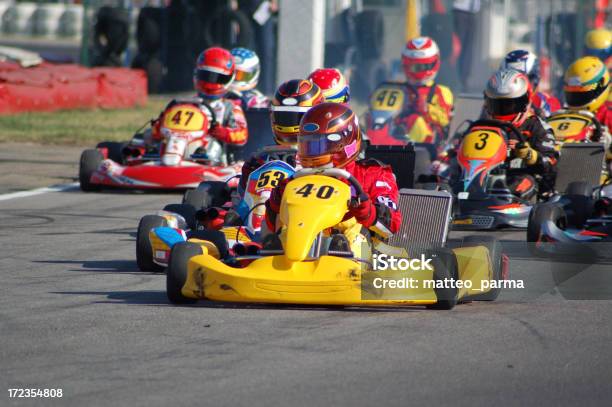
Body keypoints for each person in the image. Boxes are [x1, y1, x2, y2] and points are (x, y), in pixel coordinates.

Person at [265, 103, 401, 252]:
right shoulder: (297, 180)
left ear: (345, 142)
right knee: (280, 236)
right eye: (308, 144)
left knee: (350, 238)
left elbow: (392, 224)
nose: (313, 151)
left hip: (359, 254)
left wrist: (368, 211)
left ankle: (340, 253)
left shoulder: (373, 174)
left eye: (321, 145)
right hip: (304, 249)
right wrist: (275, 203)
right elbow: (274, 224)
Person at [141, 47, 248, 159]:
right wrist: (159, 126)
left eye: (218, 78)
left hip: (211, 157)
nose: (210, 83)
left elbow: (242, 135)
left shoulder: (230, 107)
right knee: (148, 137)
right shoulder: (184, 103)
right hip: (178, 144)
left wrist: (222, 132)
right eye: (206, 76)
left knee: (211, 146)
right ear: (197, 74)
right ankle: (161, 160)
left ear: (229, 78)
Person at [483, 68, 558, 198]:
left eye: (508, 105)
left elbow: (552, 164)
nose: (502, 110)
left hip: (523, 181)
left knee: (517, 186)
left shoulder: (537, 127)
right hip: (484, 178)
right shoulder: (483, 126)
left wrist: (530, 156)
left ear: (524, 101)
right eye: (497, 105)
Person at [238, 79, 324, 191]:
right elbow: (241, 198)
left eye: (297, 116)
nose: (288, 122)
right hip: (262, 205)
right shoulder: (261, 159)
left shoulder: (322, 160)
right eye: (283, 116)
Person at [396, 36, 454, 144]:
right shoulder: (399, 89)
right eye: (413, 66)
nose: (417, 70)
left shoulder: (440, 91)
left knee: (415, 120)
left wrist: (427, 109)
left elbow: (445, 121)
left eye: (421, 66)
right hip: (394, 136)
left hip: (429, 145)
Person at [501, 49, 561, 118]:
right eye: (509, 79)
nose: (515, 85)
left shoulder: (547, 103)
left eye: (521, 80)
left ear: (533, 79)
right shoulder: (494, 102)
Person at [563, 56, 611, 137]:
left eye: (582, 92)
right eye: (572, 92)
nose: (576, 98)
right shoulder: (561, 116)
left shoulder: (608, 117)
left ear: (600, 86)